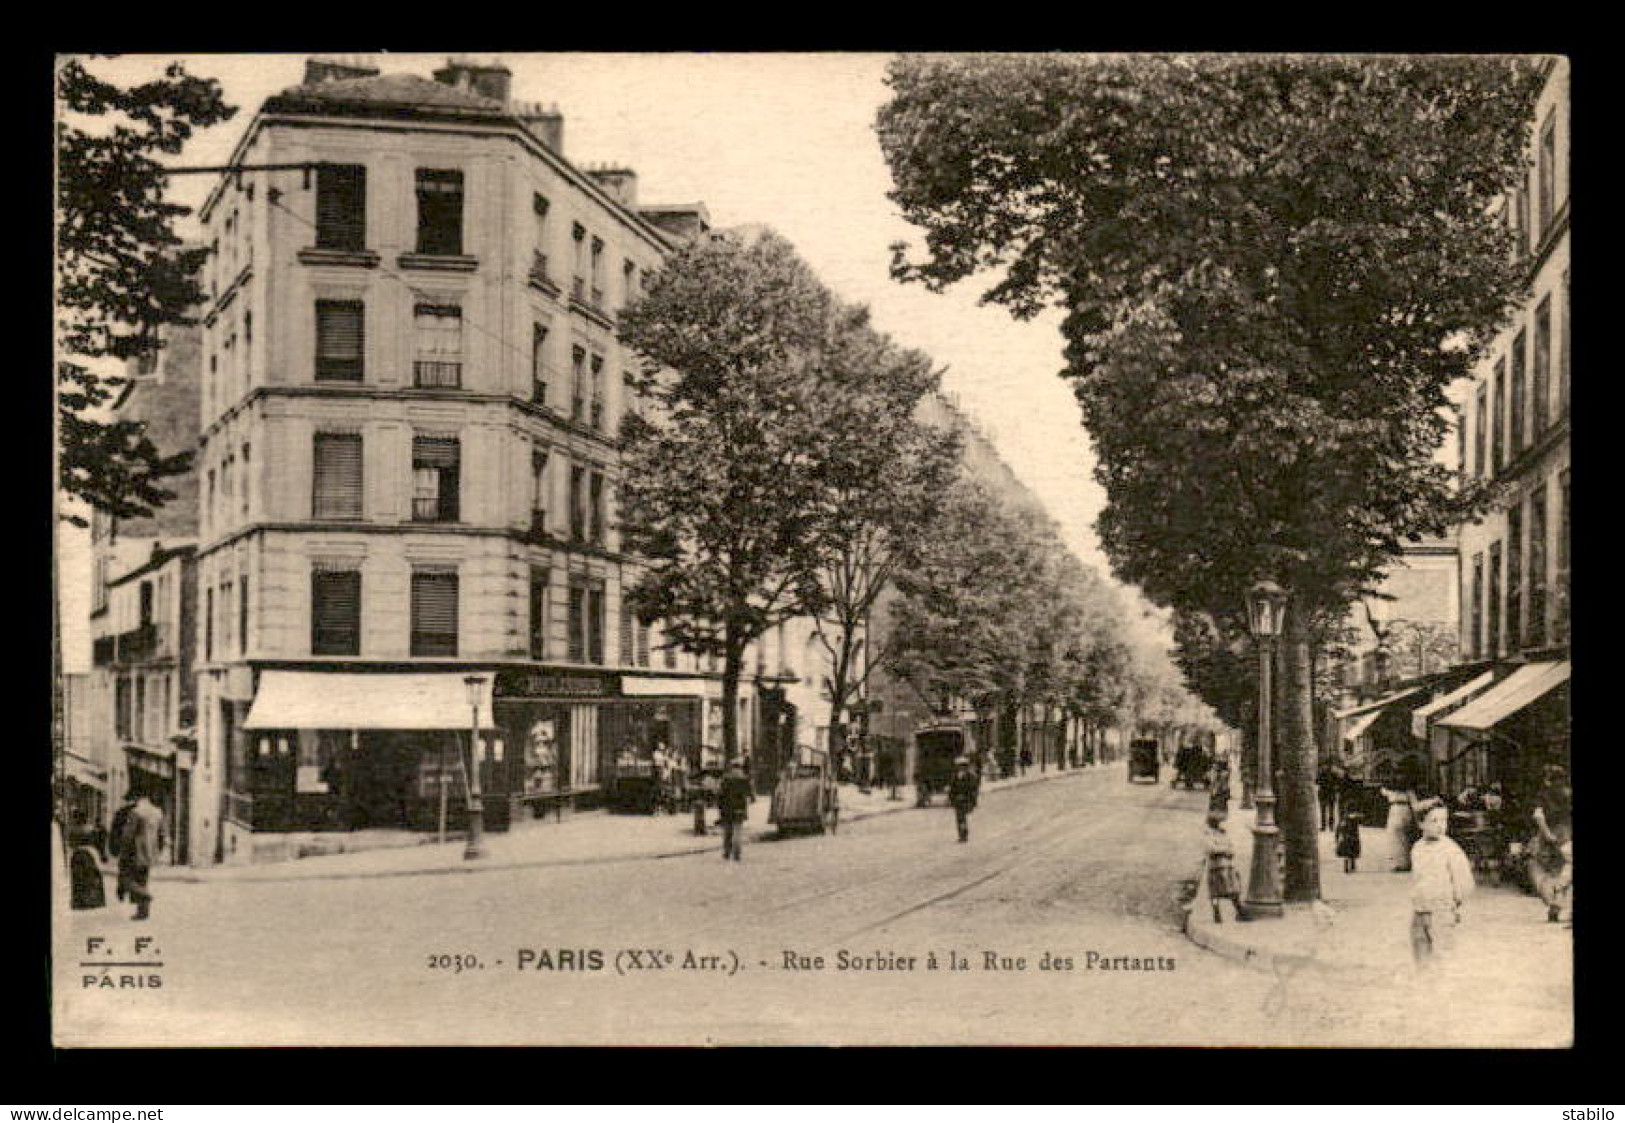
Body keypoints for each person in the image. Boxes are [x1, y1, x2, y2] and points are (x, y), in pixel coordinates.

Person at [1409, 802, 1474, 969]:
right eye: (1434, 821)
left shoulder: (1450, 849)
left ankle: (1441, 987)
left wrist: (1456, 903)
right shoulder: (1417, 848)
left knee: (1443, 954)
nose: (1440, 826)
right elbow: (1417, 878)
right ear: (1421, 823)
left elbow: (1463, 880)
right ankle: (1423, 983)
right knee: (1420, 951)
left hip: (1442, 910)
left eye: (1443, 821)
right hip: (1420, 909)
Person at [1529, 764, 1573, 923]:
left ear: (1548, 779)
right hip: (1567, 835)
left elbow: (1538, 816)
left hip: (1550, 837)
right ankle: (1558, 899)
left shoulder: (1542, 795)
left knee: (1542, 868)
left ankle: (1554, 902)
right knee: (1566, 868)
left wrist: (1547, 834)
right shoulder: (1568, 794)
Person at [116, 790, 167, 921]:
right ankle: (143, 912)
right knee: (143, 880)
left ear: (138, 798)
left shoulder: (135, 812)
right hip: (150, 853)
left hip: (135, 852)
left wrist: (123, 851)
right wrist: (157, 851)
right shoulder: (158, 812)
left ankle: (145, 896)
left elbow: (128, 835)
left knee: (126, 879)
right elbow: (162, 835)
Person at [1203, 812, 1244, 923]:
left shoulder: (1221, 834)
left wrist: (1226, 850)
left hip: (1225, 865)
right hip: (1217, 865)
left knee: (1230, 889)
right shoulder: (1210, 834)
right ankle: (1217, 914)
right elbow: (1211, 848)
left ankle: (1239, 911)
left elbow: (1230, 847)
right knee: (1217, 891)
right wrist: (1225, 849)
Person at [1380, 780, 1418, 872]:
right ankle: (1406, 862)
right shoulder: (1409, 792)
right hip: (1406, 811)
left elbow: (1382, 790)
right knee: (1406, 838)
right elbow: (1415, 805)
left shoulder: (1391, 792)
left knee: (1394, 838)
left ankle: (1397, 863)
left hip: (1394, 810)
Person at [717, 762, 751, 862]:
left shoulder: (726, 779)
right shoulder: (744, 779)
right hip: (740, 808)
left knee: (727, 831)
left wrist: (720, 807)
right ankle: (737, 852)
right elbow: (749, 795)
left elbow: (720, 794)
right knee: (737, 830)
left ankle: (727, 852)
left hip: (727, 808)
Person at [110, 790, 139, 903]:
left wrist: (114, 848)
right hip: (135, 848)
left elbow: (114, 832)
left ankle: (122, 891)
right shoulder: (139, 813)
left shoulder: (120, 813)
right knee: (133, 870)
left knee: (123, 869)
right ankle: (132, 893)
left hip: (125, 847)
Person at [948, 756, 980, 843]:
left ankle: (964, 835)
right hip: (957, 800)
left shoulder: (971, 776)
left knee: (962, 817)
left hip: (966, 800)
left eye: (963, 765)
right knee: (959, 818)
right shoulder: (955, 776)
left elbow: (973, 789)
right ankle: (962, 834)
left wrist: (971, 800)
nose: (961, 767)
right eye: (959, 766)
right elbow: (952, 788)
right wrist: (951, 798)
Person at [1335, 809, 1364, 873]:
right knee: (1352, 852)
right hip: (1352, 838)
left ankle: (1349, 866)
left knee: (1347, 854)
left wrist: (1337, 838)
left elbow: (1338, 829)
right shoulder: (1355, 818)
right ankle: (1351, 866)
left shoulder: (1344, 819)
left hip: (1347, 838)